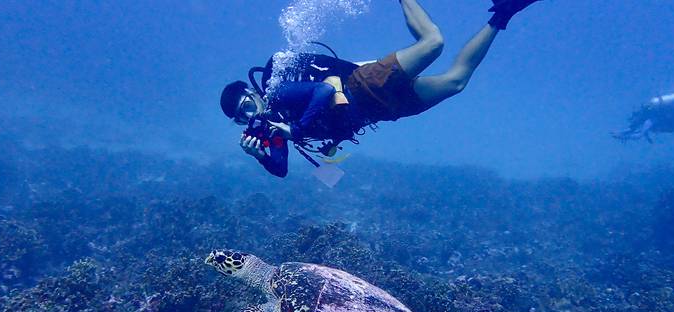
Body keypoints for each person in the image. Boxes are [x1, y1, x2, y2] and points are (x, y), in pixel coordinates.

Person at [221, 0, 542, 177]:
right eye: (242, 116)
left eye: (248, 104)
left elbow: (322, 93)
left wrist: (297, 128)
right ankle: (503, 13)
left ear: (255, 94)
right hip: (377, 112)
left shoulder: (277, 93)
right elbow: (281, 169)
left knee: (433, 44)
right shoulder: (274, 128)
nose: (251, 113)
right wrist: (259, 156)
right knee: (455, 82)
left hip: (363, 87)